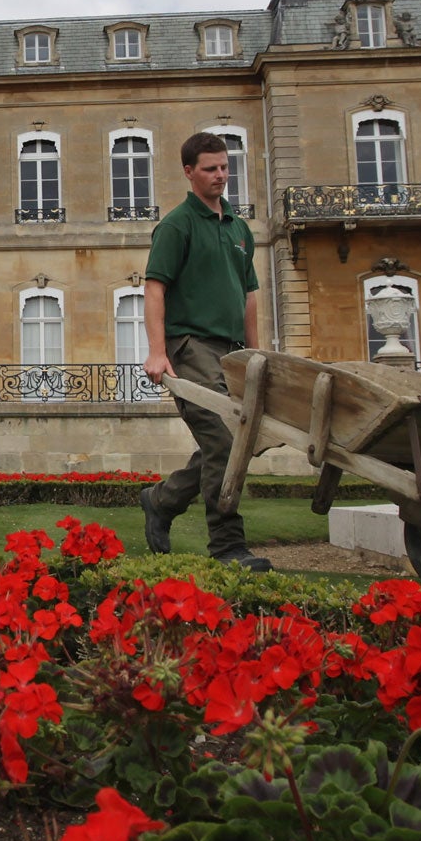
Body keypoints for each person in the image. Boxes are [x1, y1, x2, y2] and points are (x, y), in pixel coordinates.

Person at [138, 131, 268, 570]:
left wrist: (257, 355)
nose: (221, 176)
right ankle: (228, 546)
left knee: (233, 443)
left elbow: (249, 294)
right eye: (211, 169)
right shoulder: (177, 225)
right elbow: (154, 288)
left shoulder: (238, 228)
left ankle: (162, 500)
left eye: (225, 167)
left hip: (233, 354)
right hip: (190, 347)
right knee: (224, 438)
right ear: (189, 172)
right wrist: (157, 352)